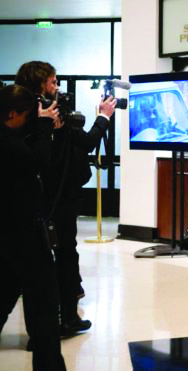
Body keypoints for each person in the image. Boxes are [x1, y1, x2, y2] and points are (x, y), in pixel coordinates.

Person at [14, 61, 117, 337]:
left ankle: (57, 316)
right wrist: (104, 117)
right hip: (58, 197)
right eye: (52, 82)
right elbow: (85, 143)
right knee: (64, 253)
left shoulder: (23, 121)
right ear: (40, 86)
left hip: (36, 199)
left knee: (47, 256)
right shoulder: (38, 122)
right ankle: (67, 318)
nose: (57, 88)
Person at [0, 84, 67, 370]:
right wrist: (44, 127)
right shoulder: (9, 144)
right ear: (13, 113)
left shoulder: (10, 138)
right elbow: (39, 161)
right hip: (23, 236)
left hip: (8, 237)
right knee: (45, 314)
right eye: (29, 114)